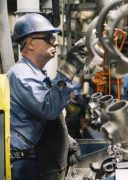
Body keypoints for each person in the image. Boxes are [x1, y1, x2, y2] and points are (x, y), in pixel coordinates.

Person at [8, 13, 85, 180]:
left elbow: (49, 116)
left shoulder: (37, 74)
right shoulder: (21, 74)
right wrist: (69, 68)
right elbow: (49, 108)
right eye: (49, 38)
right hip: (23, 165)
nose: (55, 42)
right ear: (30, 43)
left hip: (34, 158)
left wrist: (67, 140)